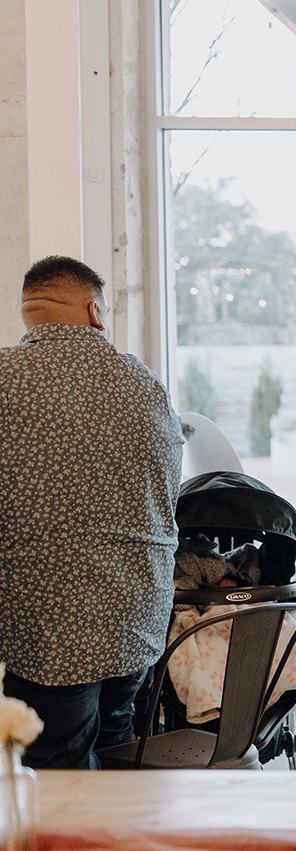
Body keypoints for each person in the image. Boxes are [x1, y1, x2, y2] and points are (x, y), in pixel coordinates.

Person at [0, 256, 184, 769]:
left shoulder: (4, 378)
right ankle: (121, 843)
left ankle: (80, 847)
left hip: (46, 622)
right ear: (94, 311)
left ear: (29, 314)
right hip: (136, 611)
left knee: (58, 763)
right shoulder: (144, 383)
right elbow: (166, 492)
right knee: (118, 737)